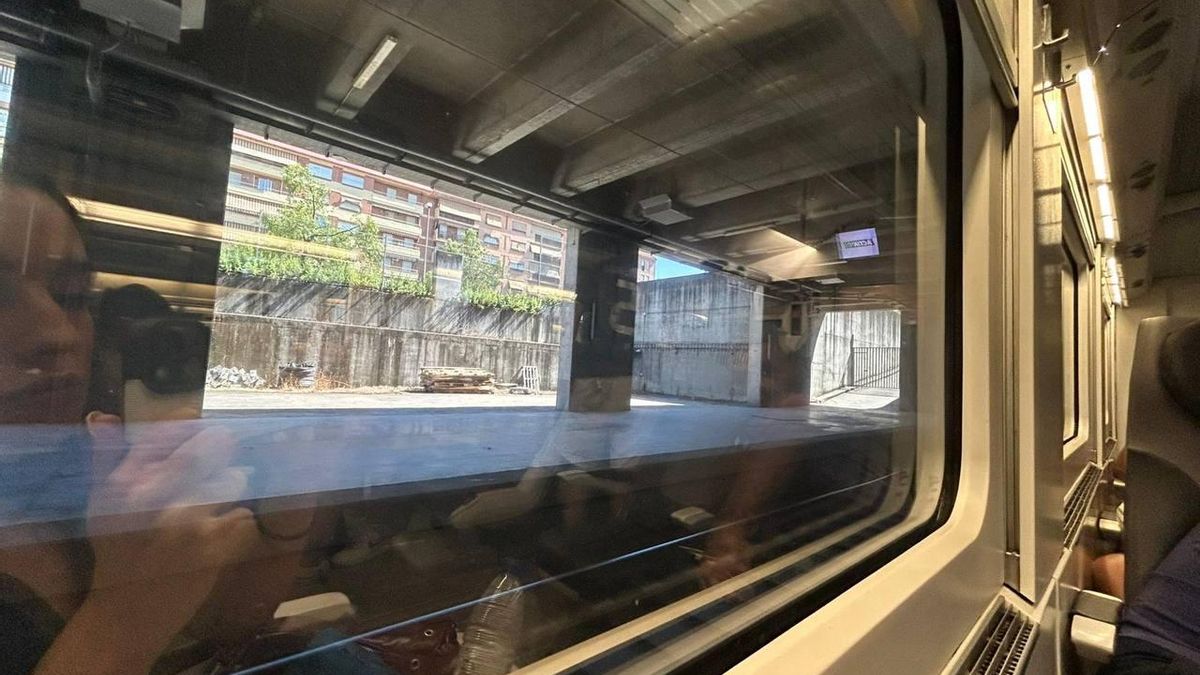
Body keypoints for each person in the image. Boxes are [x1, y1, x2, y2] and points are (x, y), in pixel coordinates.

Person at [0, 177, 261, 674]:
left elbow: (228, 629)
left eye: (73, 296)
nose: (58, 334)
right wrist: (125, 615)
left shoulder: (96, 478)